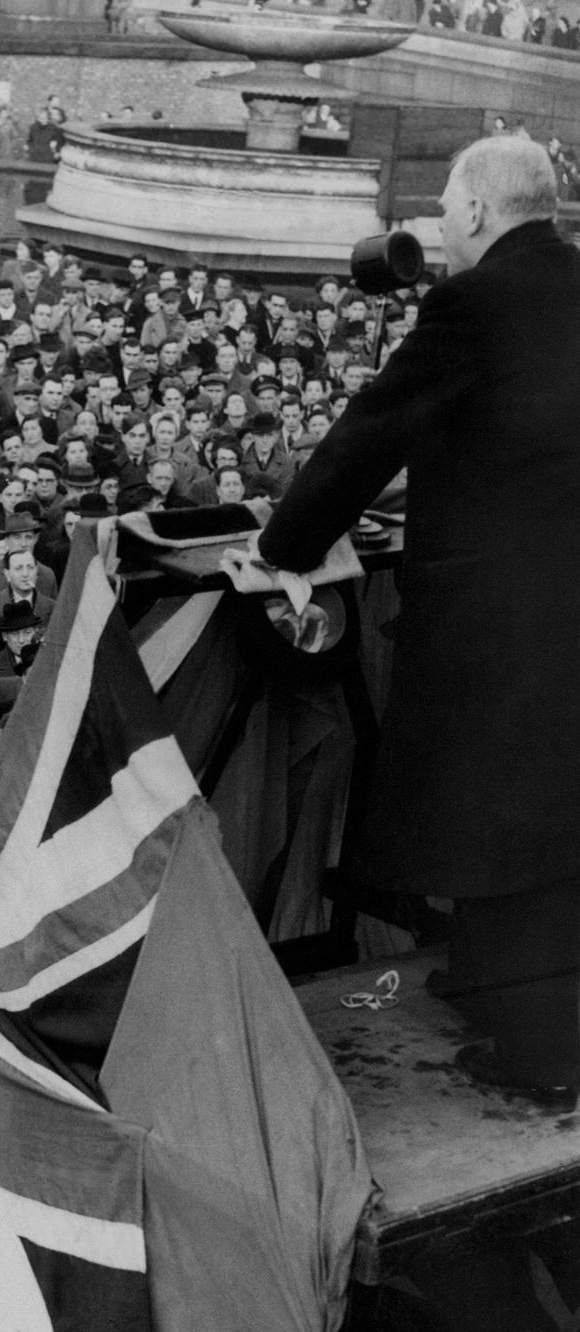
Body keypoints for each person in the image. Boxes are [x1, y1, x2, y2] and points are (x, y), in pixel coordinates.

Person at [255, 134, 580, 1100]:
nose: (436, 228)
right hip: (565, 610)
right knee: (552, 820)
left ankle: (541, 1061)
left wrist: (284, 547)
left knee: (500, 822)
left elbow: (374, 428)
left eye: (444, 210)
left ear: (479, 211)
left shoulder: (471, 302)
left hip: (498, 622)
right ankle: (495, 991)